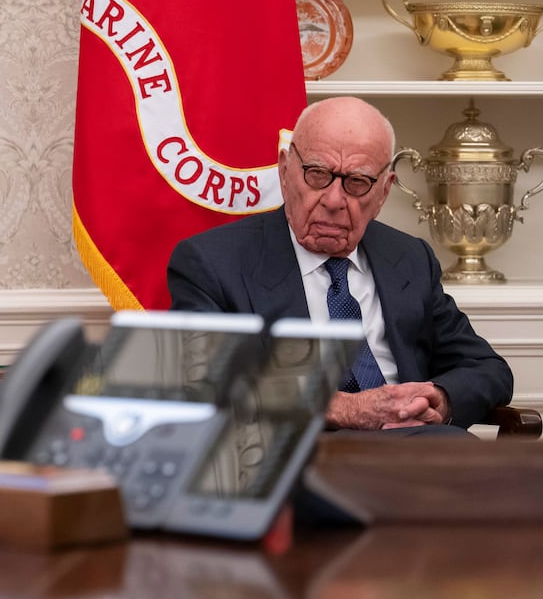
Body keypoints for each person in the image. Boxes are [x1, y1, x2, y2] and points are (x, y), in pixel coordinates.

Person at [167, 97, 514, 432]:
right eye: (317, 174)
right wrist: (346, 409)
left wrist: (438, 399)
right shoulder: (213, 262)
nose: (334, 200)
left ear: (383, 192)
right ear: (285, 170)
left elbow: (487, 369)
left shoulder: (409, 258)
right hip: (296, 456)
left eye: (357, 182)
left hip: (416, 448)